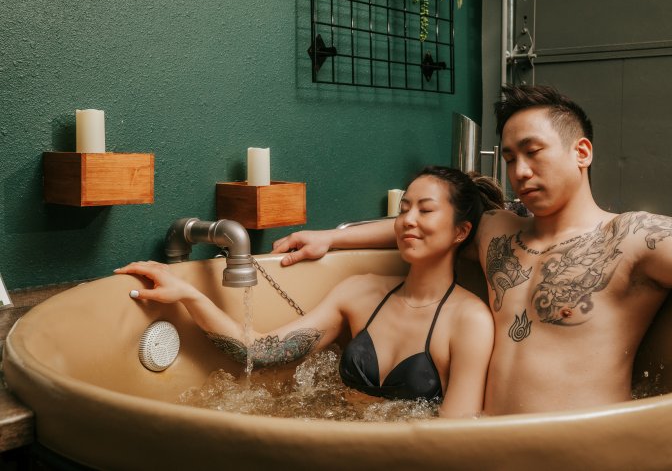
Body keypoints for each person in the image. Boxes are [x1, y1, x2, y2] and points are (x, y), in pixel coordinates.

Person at [272, 84, 672, 416]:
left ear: (581, 152)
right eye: (508, 157)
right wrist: (331, 237)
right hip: (488, 448)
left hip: (578, 451)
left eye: (533, 152)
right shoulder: (496, 232)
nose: (520, 172)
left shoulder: (634, 237)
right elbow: (421, 225)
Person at [116, 166, 501, 418]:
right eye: (403, 209)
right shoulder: (360, 292)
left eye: (426, 210)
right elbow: (261, 353)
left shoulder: (469, 321)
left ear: (460, 232)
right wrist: (189, 294)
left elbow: (454, 439)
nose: (408, 221)